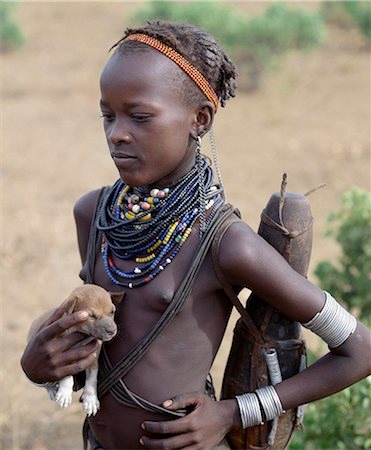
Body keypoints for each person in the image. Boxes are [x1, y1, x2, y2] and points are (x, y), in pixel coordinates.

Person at [21, 21, 370, 450]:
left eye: (140, 116)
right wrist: (41, 369)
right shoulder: (94, 216)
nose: (117, 134)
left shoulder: (225, 241)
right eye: (107, 116)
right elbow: (104, 348)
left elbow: (361, 350)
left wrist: (232, 413)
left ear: (199, 119)